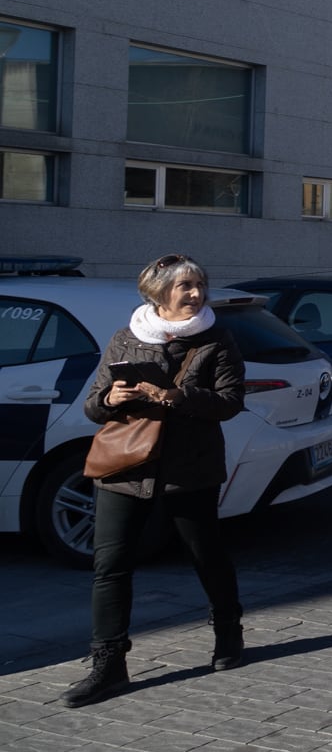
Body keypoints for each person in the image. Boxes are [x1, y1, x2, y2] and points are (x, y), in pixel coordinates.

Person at [65, 254, 247, 708]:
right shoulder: (126, 338)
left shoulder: (217, 339)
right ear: (157, 292)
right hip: (126, 467)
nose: (196, 293)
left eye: (200, 284)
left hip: (190, 468)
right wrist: (112, 396)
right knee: (110, 566)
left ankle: (228, 632)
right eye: (185, 286)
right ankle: (108, 665)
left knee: (206, 555)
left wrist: (179, 395)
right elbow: (91, 406)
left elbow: (230, 401)